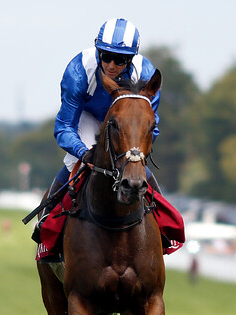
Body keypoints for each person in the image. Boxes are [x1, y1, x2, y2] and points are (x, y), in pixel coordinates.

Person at [32, 18, 163, 256]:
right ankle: (47, 219)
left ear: (131, 59)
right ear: (97, 51)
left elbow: (150, 127)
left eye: (120, 59)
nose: (111, 65)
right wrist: (84, 152)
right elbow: (63, 127)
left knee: (134, 163)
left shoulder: (147, 74)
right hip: (88, 117)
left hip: (127, 122)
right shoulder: (79, 70)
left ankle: (163, 224)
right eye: (105, 56)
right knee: (75, 162)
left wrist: (135, 152)